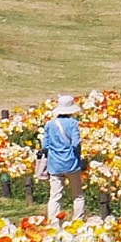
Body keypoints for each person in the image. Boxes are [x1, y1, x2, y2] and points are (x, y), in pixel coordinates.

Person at [36, 94, 86, 222]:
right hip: (71, 163)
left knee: (55, 196)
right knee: (78, 195)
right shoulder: (73, 123)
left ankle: (53, 222)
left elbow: (45, 146)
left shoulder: (49, 124)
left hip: (55, 164)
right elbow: (76, 143)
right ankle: (78, 221)